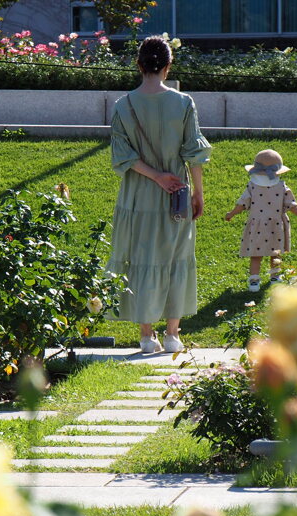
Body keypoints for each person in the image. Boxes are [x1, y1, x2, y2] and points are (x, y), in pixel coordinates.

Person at [107, 36, 212, 354]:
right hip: (177, 197)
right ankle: (172, 334)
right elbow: (194, 153)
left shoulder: (124, 105)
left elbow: (121, 155)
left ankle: (145, 336)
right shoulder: (183, 103)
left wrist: (154, 176)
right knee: (176, 259)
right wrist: (197, 193)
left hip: (138, 196)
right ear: (168, 66)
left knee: (141, 260)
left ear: (139, 65)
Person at [224, 149, 297, 292]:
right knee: (275, 253)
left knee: (256, 254)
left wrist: (231, 213)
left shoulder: (252, 186)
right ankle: (274, 278)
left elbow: (242, 203)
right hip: (276, 225)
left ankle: (254, 280)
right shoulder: (281, 186)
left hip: (257, 224)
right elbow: (291, 205)